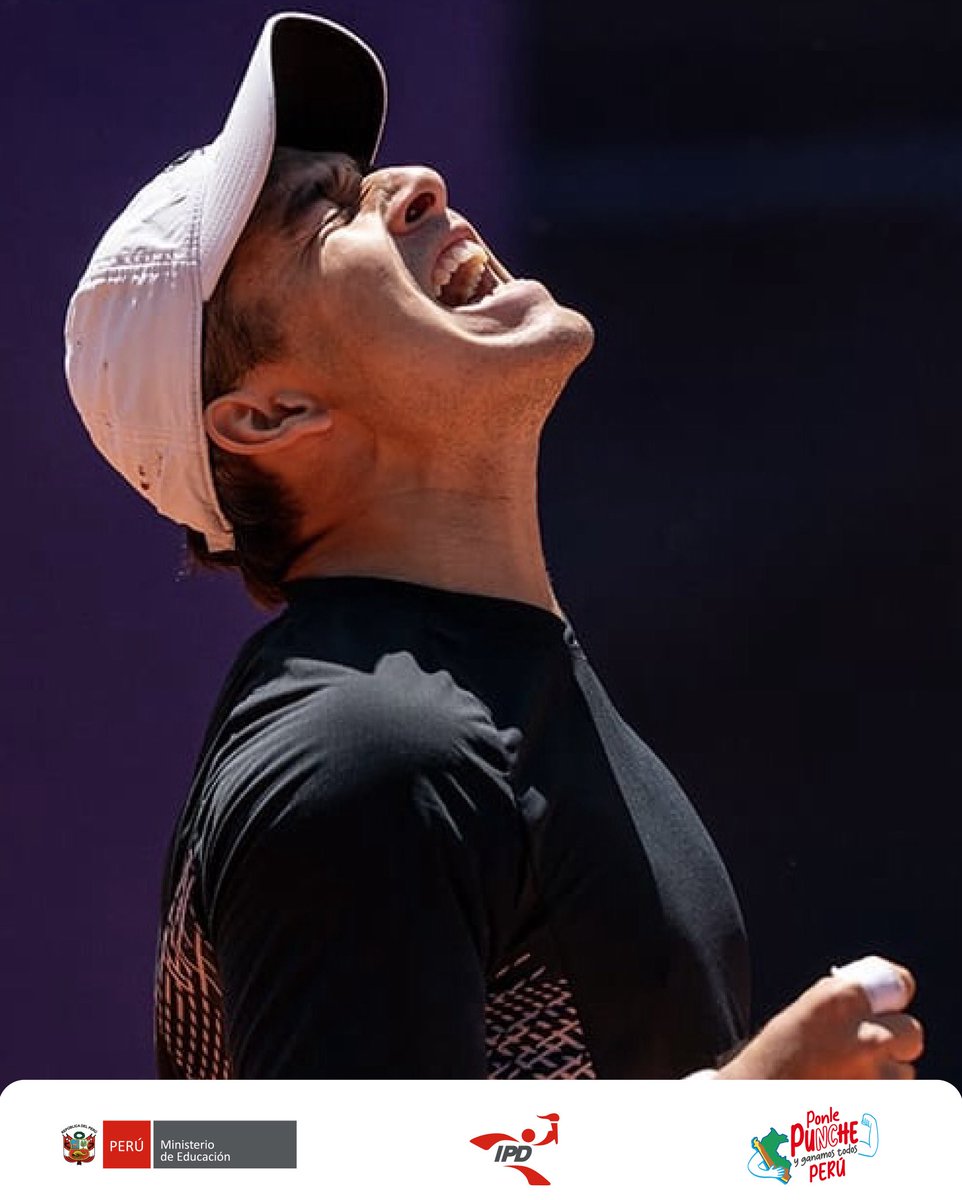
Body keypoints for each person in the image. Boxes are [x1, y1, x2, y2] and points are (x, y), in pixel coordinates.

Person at [65, 12, 924, 1081]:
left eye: (361, 173)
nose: (416, 182)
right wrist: (732, 1126)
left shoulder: (446, 710)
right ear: (268, 414)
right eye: (321, 212)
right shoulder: (363, 751)